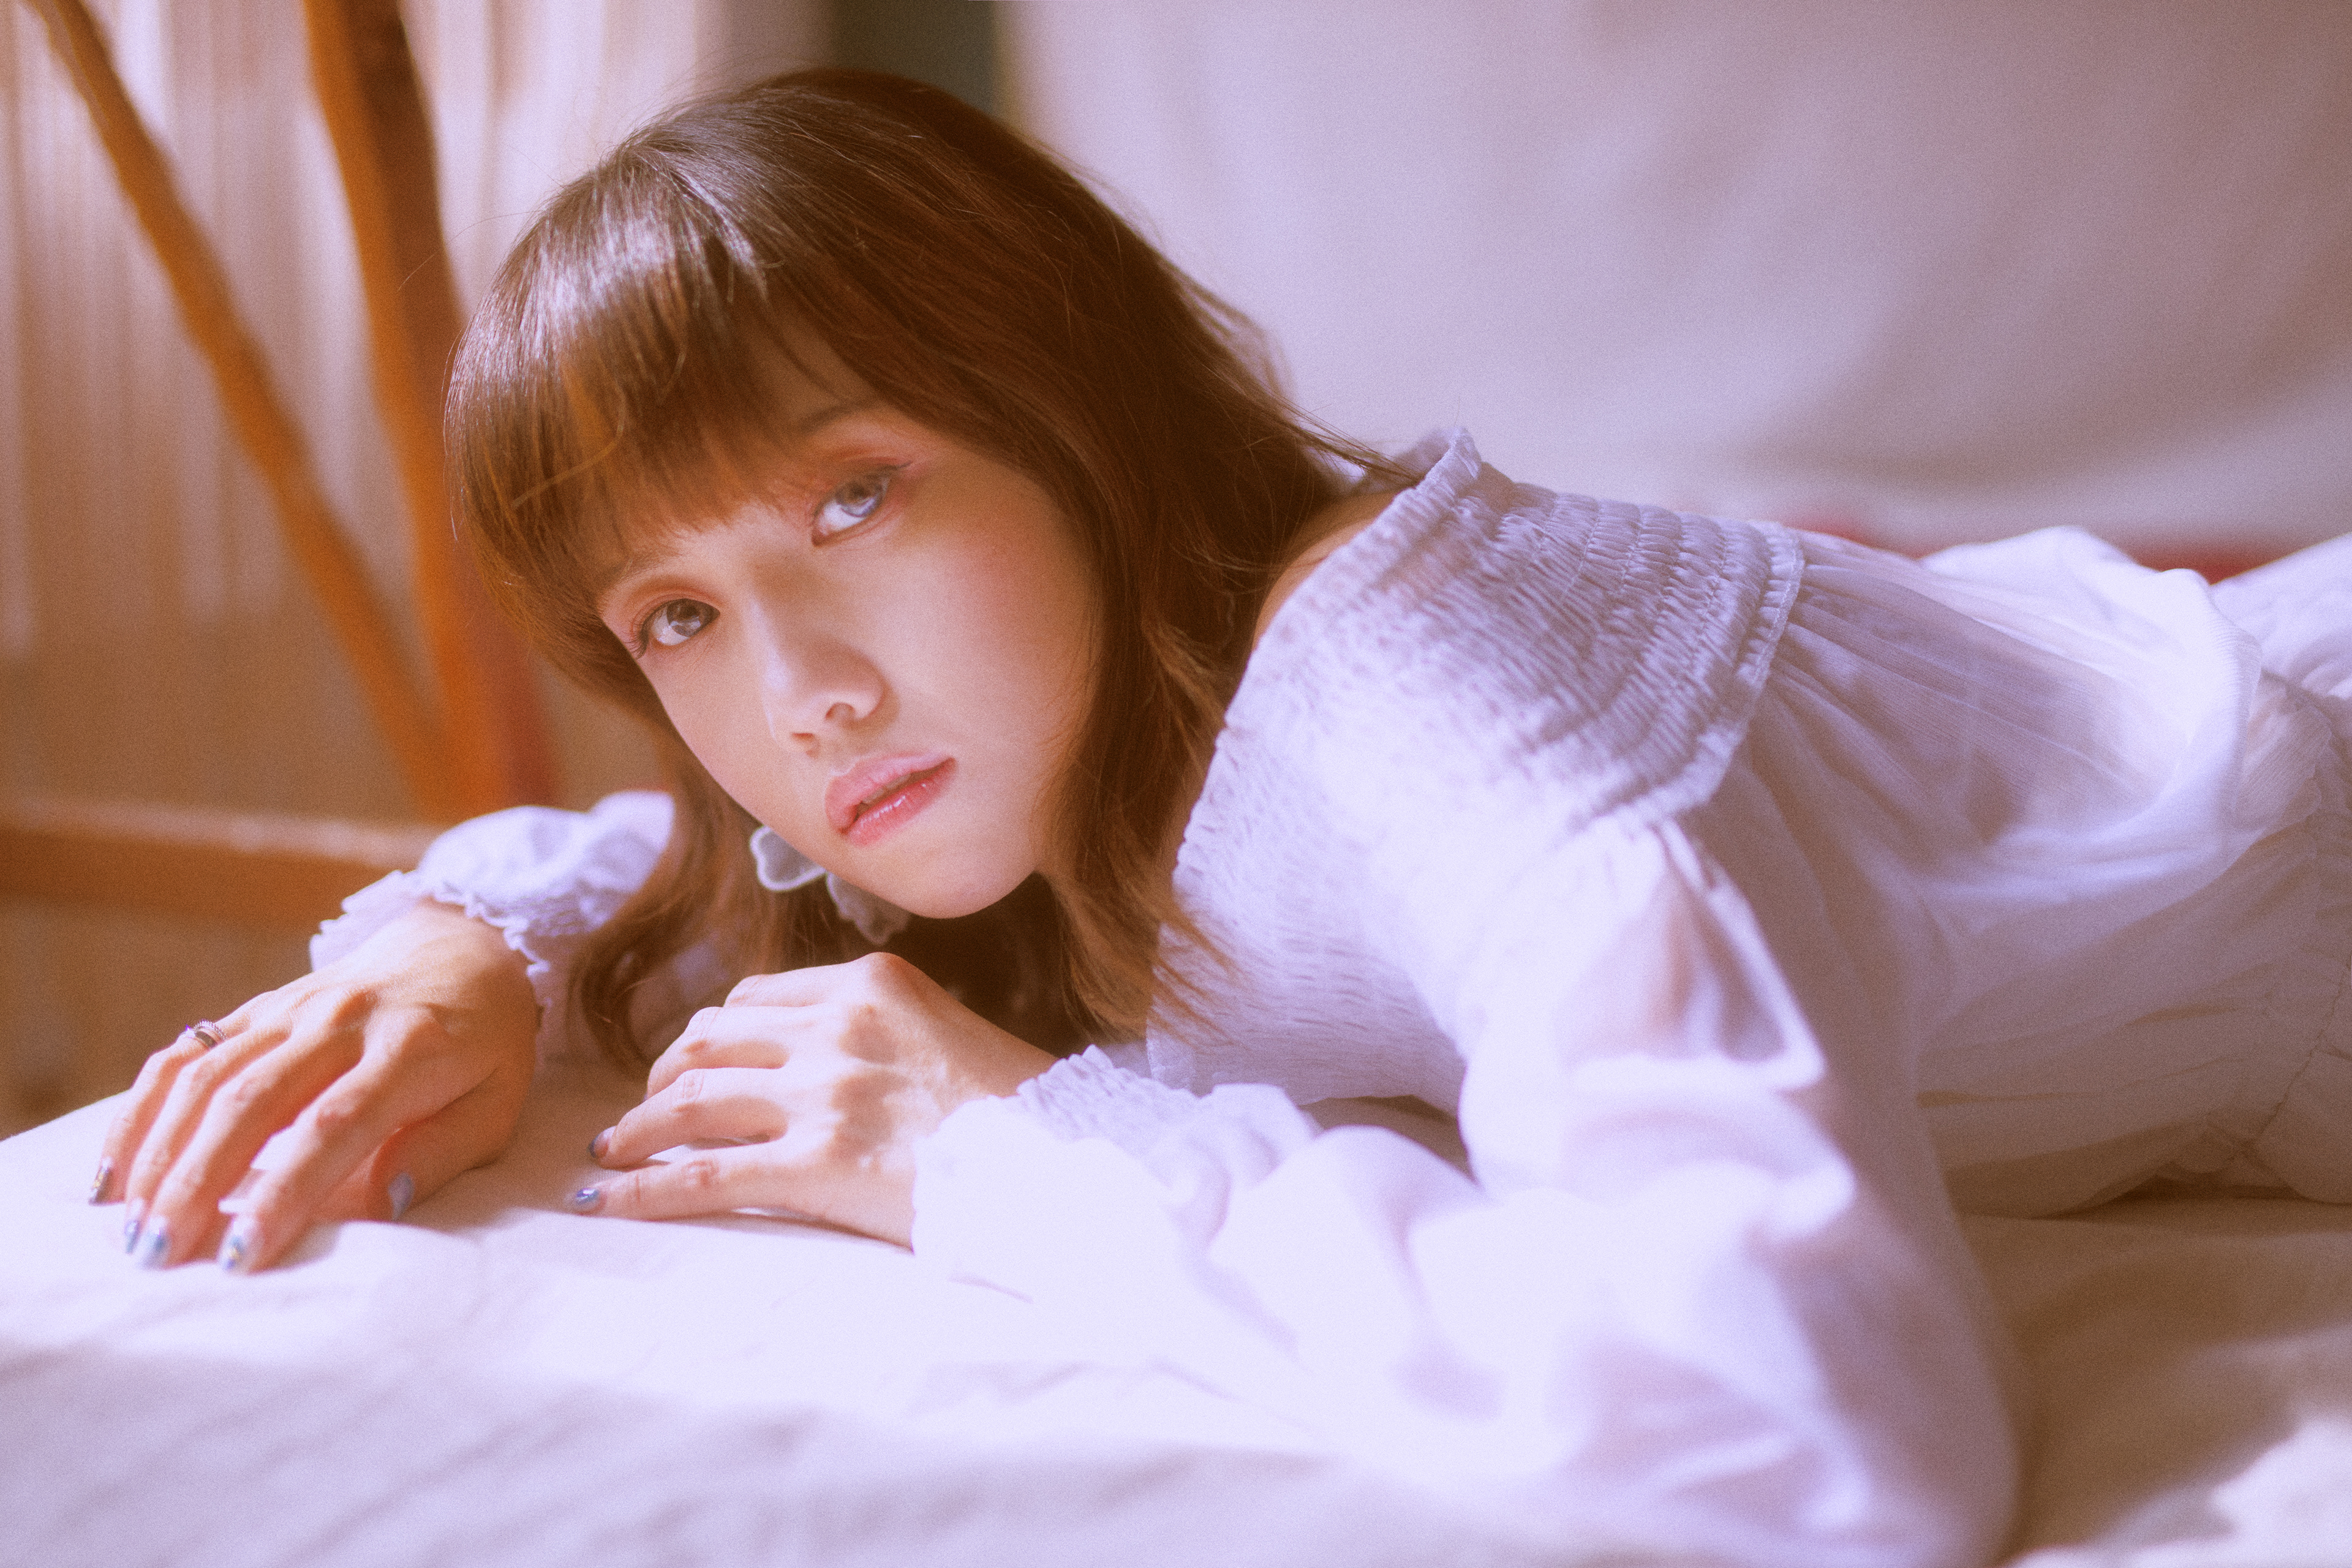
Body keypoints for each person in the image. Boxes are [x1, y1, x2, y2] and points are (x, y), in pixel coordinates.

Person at [85, 69, 2352, 1568]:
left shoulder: (1421, 692)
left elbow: (1824, 1440)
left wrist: (1012, 1156)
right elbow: (687, 869)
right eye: (676, 614)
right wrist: (460, 947)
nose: (803, 696)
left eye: (855, 496)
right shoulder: (1054, 759)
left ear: (1073, 414)